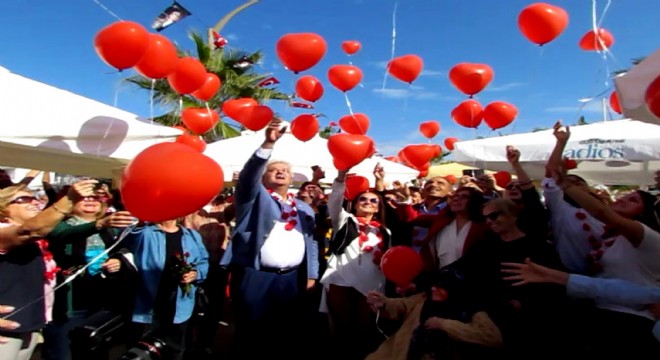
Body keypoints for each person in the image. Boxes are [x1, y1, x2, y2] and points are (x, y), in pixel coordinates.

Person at [220, 118, 319, 358]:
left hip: (292, 279)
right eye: (275, 170)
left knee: (284, 335)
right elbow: (247, 178)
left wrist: (312, 274)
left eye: (285, 170)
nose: (282, 173)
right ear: (264, 178)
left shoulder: (303, 208)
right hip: (256, 276)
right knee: (250, 335)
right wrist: (267, 144)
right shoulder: (253, 199)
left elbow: (312, 242)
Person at [0, 180, 97, 360]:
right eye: (24, 199)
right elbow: (29, 231)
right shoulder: (3, 231)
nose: (34, 202)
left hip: (30, 322)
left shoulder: (38, 241)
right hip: (5, 327)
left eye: (35, 198)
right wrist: (69, 199)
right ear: (4, 209)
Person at [321, 167, 391, 360]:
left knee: (364, 328)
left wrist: (380, 182)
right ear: (354, 204)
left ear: (378, 207)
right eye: (363, 199)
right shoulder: (344, 221)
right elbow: (335, 201)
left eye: (373, 200)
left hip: (371, 285)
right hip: (341, 281)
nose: (368, 202)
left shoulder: (385, 231)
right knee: (342, 327)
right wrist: (341, 176)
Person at [365, 269, 502, 360]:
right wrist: (383, 303)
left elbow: (493, 338)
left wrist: (444, 324)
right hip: (400, 353)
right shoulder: (424, 299)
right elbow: (401, 305)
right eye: (433, 285)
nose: (433, 289)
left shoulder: (469, 309)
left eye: (440, 287)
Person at [125, 219, 209, 360]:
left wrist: (196, 273)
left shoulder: (192, 235)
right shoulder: (144, 232)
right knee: (145, 349)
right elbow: (127, 236)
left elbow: (203, 261)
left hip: (181, 303)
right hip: (150, 302)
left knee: (176, 348)